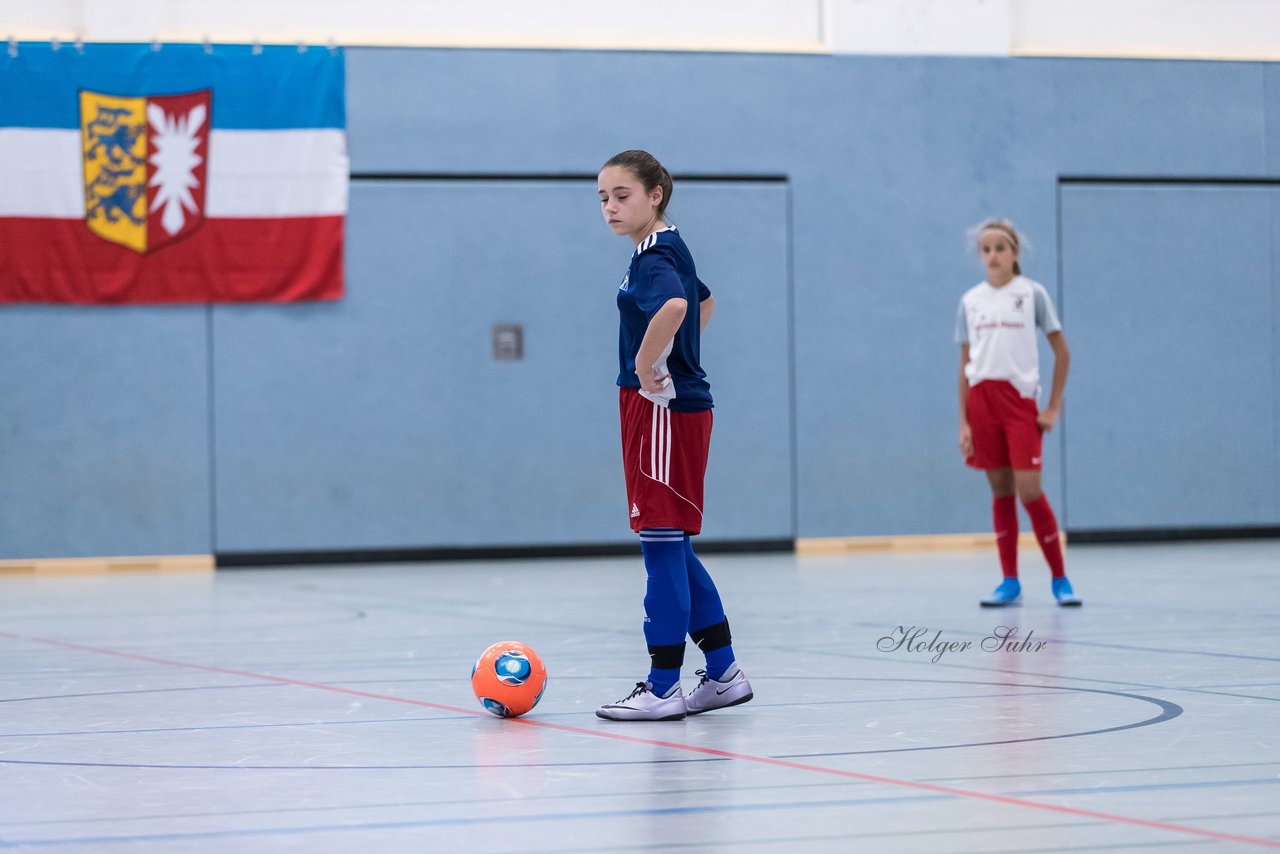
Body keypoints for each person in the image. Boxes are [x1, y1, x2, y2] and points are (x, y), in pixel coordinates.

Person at [594, 150, 753, 721]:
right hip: (668, 406)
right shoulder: (664, 249)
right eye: (604, 198)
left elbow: (682, 303)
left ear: (656, 193)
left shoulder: (656, 255)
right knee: (675, 545)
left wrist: (649, 363)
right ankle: (724, 672)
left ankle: (663, 686)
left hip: (661, 411)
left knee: (660, 547)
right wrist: (677, 354)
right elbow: (704, 300)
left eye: (622, 195)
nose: (611, 207)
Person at [956, 219, 1081, 607]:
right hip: (982, 403)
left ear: (1014, 254)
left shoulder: (1032, 295)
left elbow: (1062, 352)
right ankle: (1009, 580)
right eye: (986, 249)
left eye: (1000, 248)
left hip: (1019, 403)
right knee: (1001, 490)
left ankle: (1060, 578)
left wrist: (1053, 406)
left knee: (1029, 489)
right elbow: (965, 364)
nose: (993, 255)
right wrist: (964, 421)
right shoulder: (970, 301)